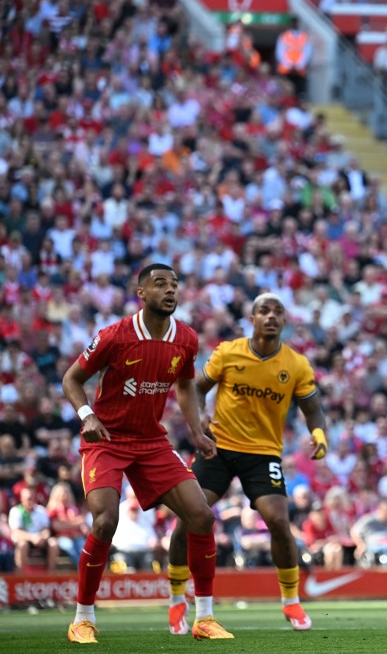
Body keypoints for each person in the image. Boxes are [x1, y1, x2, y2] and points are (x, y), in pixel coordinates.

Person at [61, 264, 232, 643]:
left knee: (201, 515)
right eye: (160, 284)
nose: (170, 291)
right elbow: (71, 378)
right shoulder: (115, 335)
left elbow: (186, 386)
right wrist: (87, 415)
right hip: (105, 438)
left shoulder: (185, 338)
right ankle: (82, 619)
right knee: (106, 521)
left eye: (174, 285)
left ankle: (204, 617)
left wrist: (196, 427)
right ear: (142, 293)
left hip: (152, 442)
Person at [165, 293, 327, 633]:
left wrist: (319, 434)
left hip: (263, 453)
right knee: (190, 517)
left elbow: (313, 408)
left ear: (284, 321)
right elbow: (196, 388)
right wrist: (202, 417)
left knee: (279, 521)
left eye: (278, 312)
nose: (271, 317)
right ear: (252, 318)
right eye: (264, 311)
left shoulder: (296, 365)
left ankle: (291, 601)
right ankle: (177, 597)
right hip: (218, 449)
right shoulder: (228, 352)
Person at [275, 17, 312, 95]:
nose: (294, 25)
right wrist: (289, 64)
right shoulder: (284, 36)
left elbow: (307, 52)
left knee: (299, 91)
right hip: (286, 69)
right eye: (293, 23)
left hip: (299, 69)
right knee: (285, 90)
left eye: (296, 23)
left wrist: (298, 65)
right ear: (290, 24)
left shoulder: (304, 37)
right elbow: (280, 52)